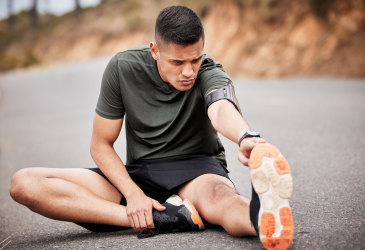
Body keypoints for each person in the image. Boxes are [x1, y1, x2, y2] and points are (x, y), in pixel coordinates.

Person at [9, 5, 294, 250]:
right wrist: (134, 196)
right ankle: (164, 217)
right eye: (177, 62)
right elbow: (100, 145)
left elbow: (220, 107)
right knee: (25, 184)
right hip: (139, 175)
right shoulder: (123, 68)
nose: (188, 72)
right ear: (154, 50)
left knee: (222, 200)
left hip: (197, 170)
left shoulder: (209, 71)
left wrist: (245, 137)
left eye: (195, 59)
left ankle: (263, 219)